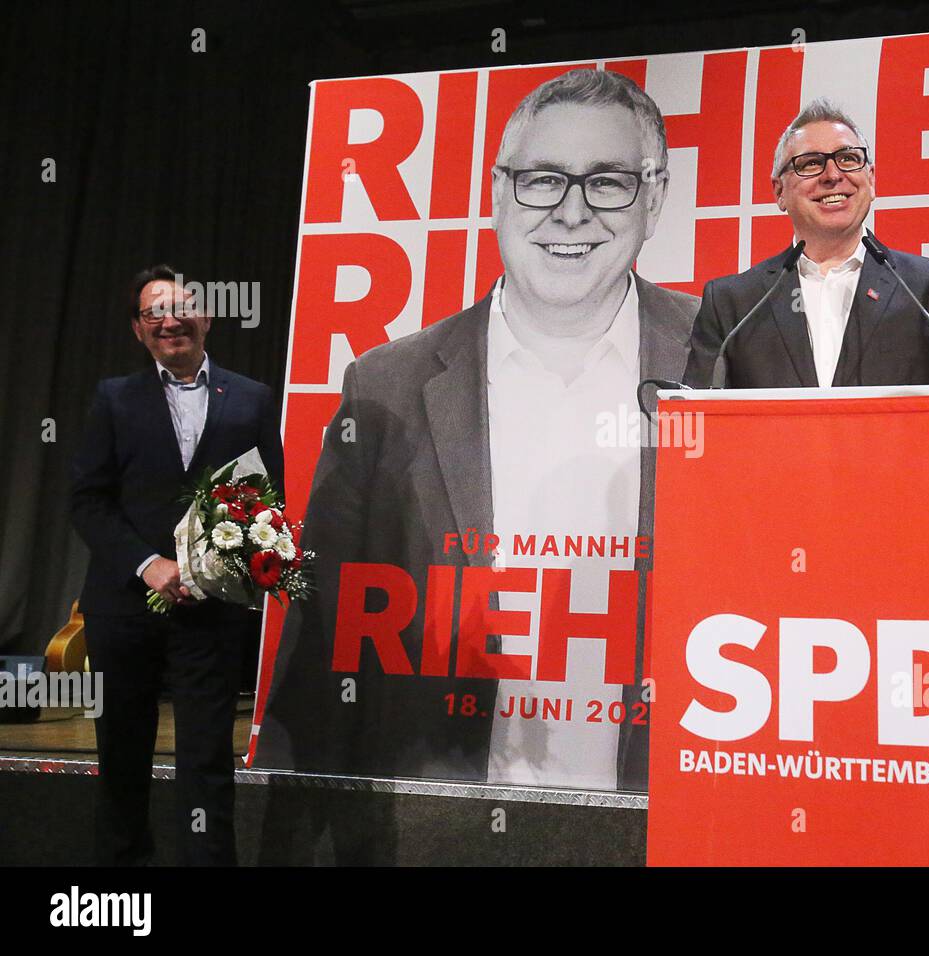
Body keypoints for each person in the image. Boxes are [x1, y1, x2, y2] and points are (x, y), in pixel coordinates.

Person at [258, 69, 698, 792]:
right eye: (543, 179)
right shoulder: (385, 385)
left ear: (653, 199)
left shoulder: (727, 364)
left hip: (664, 814)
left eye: (609, 182)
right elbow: (321, 641)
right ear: (497, 190)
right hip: (439, 817)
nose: (571, 211)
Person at [69, 265, 284, 866]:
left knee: (206, 758)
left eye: (180, 307)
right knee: (121, 756)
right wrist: (149, 565)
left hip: (212, 612)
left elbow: (268, 500)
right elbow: (87, 500)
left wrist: (217, 567)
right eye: (153, 313)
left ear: (206, 316)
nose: (170, 320)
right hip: (122, 609)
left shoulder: (250, 398)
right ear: (140, 331)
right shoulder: (115, 398)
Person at [684, 99, 929, 388]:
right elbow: (698, 422)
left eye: (848, 159)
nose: (833, 175)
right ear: (779, 191)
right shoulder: (731, 304)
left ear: (870, 181)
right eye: (810, 163)